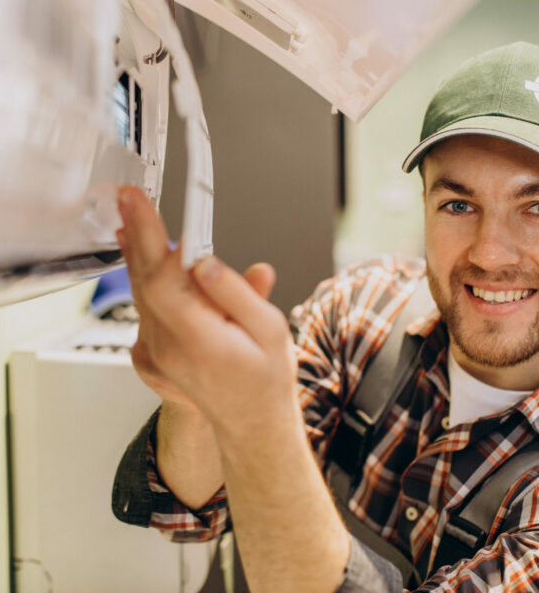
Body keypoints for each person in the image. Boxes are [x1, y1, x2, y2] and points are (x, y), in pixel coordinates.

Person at [111, 41, 539, 592]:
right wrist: (195, 400)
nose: (490, 253)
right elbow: (190, 511)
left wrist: (257, 418)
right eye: (458, 204)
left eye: (535, 207)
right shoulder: (360, 312)